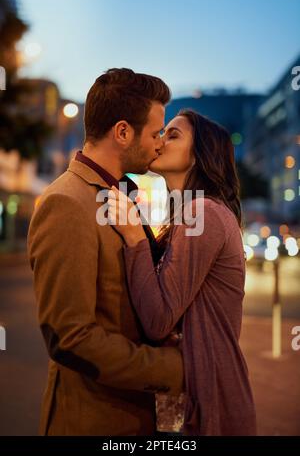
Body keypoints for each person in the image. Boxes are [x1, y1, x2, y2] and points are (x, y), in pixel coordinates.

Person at [27, 68, 184, 436]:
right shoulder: (67, 202)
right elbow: (70, 338)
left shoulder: (120, 193)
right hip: (93, 420)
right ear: (123, 132)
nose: (160, 143)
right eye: (155, 133)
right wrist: (176, 368)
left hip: (130, 414)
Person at [107, 110, 257, 436]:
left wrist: (134, 237)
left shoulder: (202, 212)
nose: (160, 141)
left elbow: (158, 319)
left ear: (200, 155)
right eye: (162, 133)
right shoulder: (191, 213)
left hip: (211, 406)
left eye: (173, 135)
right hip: (204, 396)